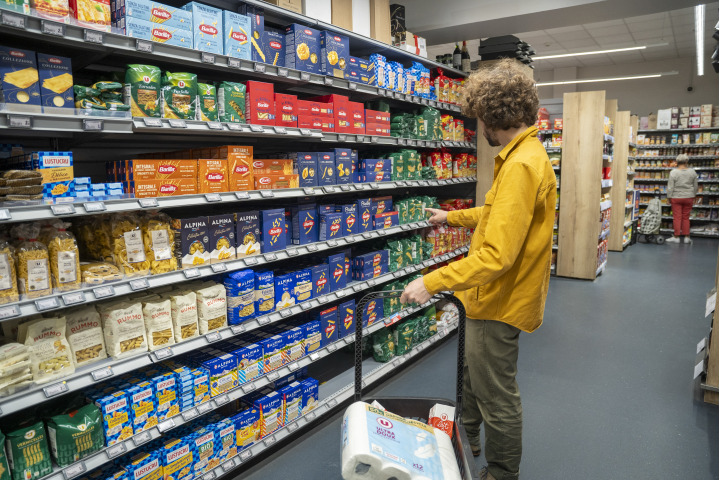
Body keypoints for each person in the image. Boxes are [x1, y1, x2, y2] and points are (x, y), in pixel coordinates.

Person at [400, 59, 555, 480]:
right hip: (491, 298)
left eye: (480, 119)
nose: (478, 128)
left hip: (498, 299)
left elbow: (497, 257)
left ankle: (502, 473)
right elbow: (499, 213)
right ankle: (463, 444)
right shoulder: (524, 154)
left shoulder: (522, 165)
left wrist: (430, 282)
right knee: (472, 382)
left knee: (496, 395)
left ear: (493, 116)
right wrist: (451, 218)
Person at [666, 153, 698, 244]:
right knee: (686, 217)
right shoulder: (692, 172)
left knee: (677, 217)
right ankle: (687, 237)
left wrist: (669, 197)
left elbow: (671, 187)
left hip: (676, 197)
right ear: (687, 161)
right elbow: (695, 186)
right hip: (689, 197)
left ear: (676, 162)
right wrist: (694, 195)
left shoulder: (673, 172)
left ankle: (676, 237)